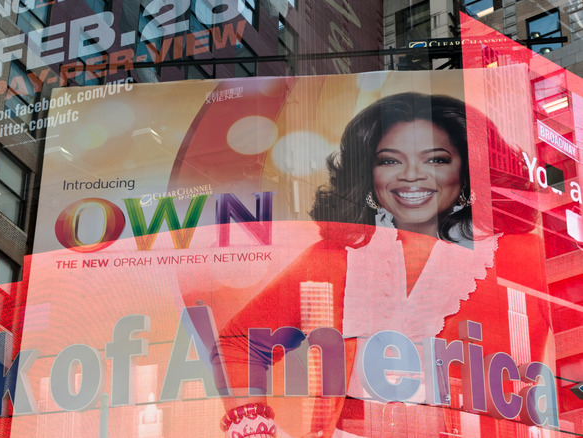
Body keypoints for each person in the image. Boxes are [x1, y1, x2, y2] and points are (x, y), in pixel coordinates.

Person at [216, 93, 549, 438]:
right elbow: (238, 346)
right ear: (368, 176)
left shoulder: (523, 257)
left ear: (468, 169)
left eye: (436, 159)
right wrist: (253, 427)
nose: (411, 177)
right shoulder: (336, 256)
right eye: (390, 161)